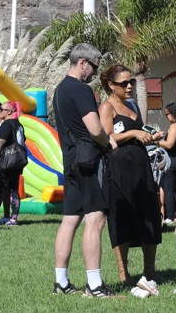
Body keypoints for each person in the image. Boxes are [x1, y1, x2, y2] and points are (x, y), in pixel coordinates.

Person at [51, 43, 118, 297]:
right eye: (93, 68)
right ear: (82, 63)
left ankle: (62, 282)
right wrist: (107, 142)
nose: (93, 74)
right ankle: (95, 285)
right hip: (89, 161)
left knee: (70, 220)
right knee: (95, 219)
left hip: (69, 160)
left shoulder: (59, 90)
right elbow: (94, 128)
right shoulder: (80, 89)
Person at [97, 65, 163, 284]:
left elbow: (139, 131)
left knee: (149, 213)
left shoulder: (132, 105)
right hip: (119, 167)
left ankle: (150, 271)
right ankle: (123, 273)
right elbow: (107, 137)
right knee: (122, 217)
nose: (129, 86)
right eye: (123, 83)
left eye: (131, 82)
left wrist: (151, 136)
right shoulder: (106, 107)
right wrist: (134, 132)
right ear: (111, 85)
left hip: (141, 165)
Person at [0, 101, 27, 226]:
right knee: (14, 189)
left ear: (9, 111)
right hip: (17, 161)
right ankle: (13, 218)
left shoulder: (7, 124)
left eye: (2, 110)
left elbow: (0, 142)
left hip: (6, 161)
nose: (0, 112)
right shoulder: (19, 125)